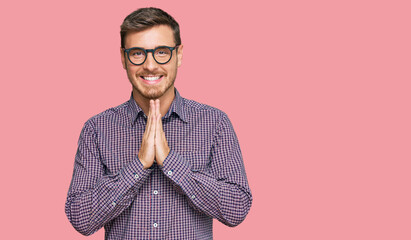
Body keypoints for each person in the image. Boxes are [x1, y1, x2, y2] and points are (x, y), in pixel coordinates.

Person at [65, 7, 252, 240]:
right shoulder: (96, 129)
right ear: (123, 58)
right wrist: (139, 165)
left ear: (179, 54)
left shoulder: (215, 123)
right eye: (137, 53)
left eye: (161, 52)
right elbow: (80, 218)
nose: (150, 65)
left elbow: (237, 208)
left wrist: (170, 162)